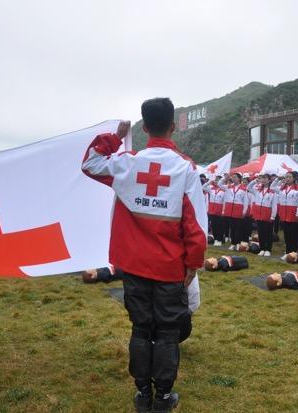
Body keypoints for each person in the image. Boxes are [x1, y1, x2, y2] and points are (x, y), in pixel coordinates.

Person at [81, 98, 207, 412]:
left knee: (140, 327)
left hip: (134, 266)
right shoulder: (185, 168)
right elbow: (196, 227)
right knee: (167, 330)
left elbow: (90, 163)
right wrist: (193, 264)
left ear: (145, 126)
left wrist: (116, 136)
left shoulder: (126, 162)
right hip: (169, 267)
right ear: (173, 125)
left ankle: (142, 394)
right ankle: (163, 397)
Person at [271, 172, 298, 254]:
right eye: (286, 177)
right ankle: (288, 251)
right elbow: (272, 187)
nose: (287, 178)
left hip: (293, 216)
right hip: (284, 215)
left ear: (294, 178)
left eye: (289, 177)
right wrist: (278, 179)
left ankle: (293, 251)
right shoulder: (282, 188)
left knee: (293, 235)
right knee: (286, 235)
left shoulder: (297, 188)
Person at [247, 173, 277, 257]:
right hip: (259, 214)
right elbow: (248, 188)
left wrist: (273, 216)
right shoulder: (258, 190)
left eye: (265, 178)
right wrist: (255, 181)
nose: (263, 180)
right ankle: (262, 248)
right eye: (262, 178)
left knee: (268, 233)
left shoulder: (272, 191)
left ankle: (268, 249)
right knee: (261, 232)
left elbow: (274, 205)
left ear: (269, 180)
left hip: (268, 214)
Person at [218, 173, 249, 251]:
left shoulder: (243, 188)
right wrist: (225, 178)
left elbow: (245, 201)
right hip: (230, 210)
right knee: (232, 228)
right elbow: (219, 184)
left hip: (238, 210)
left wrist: (244, 211)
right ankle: (233, 243)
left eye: (235, 177)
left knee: (238, 228)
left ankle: (237, 243)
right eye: (232, 177)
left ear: (239, 179)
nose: (233, 178)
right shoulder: (229, 187)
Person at [202, 176, 225, 247]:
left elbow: (225, 201)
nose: (216, 181)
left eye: (218, 180)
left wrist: (223, 211)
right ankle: (215, 239)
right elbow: (203, 187)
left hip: (219, 210)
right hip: (212, 210)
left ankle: (220, 239)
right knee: (214, 225)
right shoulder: (211, 188)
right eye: (215, 180)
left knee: (219, 226)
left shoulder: (223, 190)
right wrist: (209, 182)